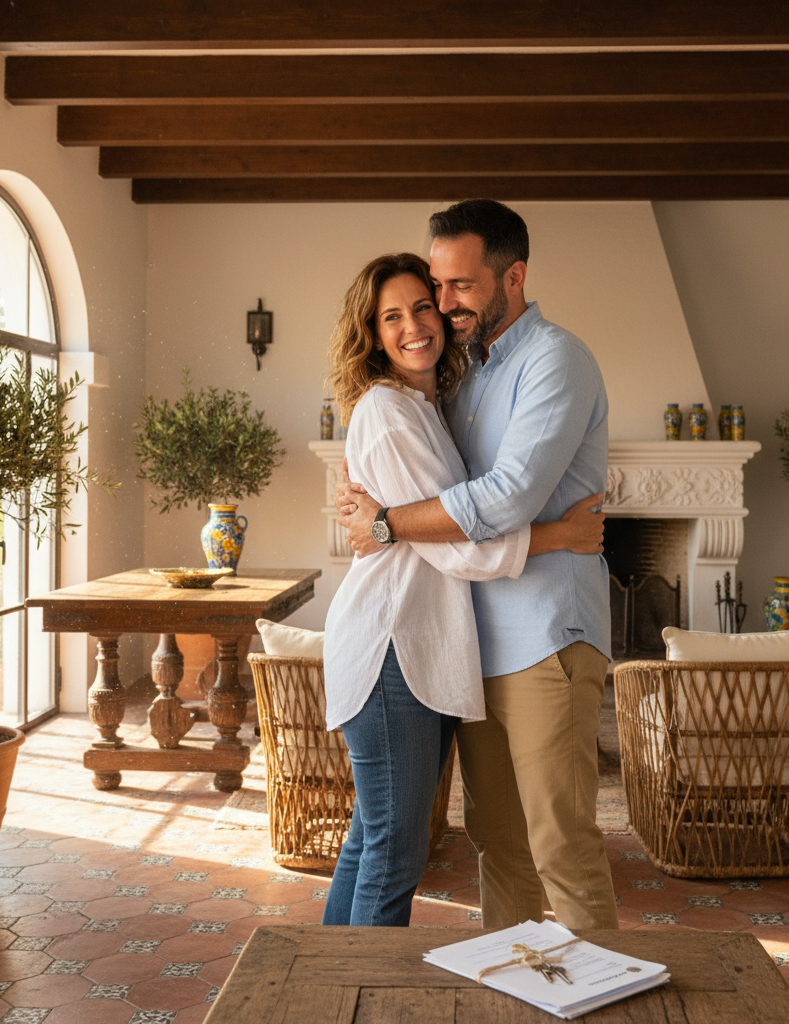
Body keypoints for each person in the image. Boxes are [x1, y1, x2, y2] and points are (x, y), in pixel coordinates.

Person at [336, 200, 618, 932]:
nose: (442, 305)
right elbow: (424, 492)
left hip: (547, 640)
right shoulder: (464, 376)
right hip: (474, 648)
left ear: (512, 275)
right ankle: (518, 987)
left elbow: (502, 499)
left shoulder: (556, 359)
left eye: (457, 286)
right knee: (499, 843)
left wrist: (385, 523)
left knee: (560, 843)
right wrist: (376, 515)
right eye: (437, 287)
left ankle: (600, 996)